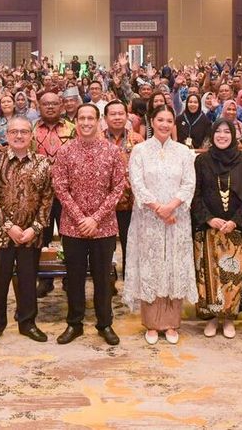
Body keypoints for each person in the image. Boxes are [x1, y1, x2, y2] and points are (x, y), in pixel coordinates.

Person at [51, 103, 127, 346]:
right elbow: (60, 187)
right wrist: (80, 217)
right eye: (81, 118)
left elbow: (118, 187)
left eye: (90, 118)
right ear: (76, 122)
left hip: (103, 226)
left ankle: (105, 323)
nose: (85, 122)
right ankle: (75, 323)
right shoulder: (65, 152)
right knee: (73, 278)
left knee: (103, 278)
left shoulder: (112, 152)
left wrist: (95, 218)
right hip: (73, 226)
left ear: (99, 121)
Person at [124, 106, 197, 345]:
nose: (164, 124)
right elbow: (137, 183)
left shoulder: (184, 152)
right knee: (152, 264)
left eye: (169, 120)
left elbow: (189, 184)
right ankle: (153, 324)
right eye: (160, 120)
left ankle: (172, 323)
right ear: (152, 122)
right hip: (148, 218)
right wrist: (158, 208)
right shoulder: (140, 151)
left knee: (173, 263)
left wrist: (171, 206)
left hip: (177, 219)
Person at [0, 115, 53, 345]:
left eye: (24, 131)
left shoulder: (42, 163)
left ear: (31, 135)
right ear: (7, 136)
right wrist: (9, 227)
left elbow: (47, 199)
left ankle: (27, 322)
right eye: (14, 132)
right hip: (1, 232)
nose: (19, 136)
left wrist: (35, 228)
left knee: (27, 279)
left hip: (31, 234)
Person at [191, 119, 242, 339]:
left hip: (235, 230)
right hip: (209, 230)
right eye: (217, 131)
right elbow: (195, 195)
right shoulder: (202, 161)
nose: (222, 135)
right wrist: (209, 219)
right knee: (209, 275)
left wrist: (236, 221)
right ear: (212, 134)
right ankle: (211, 318)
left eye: (226, 132)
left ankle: (228, 319)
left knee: (232, 276)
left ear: (233, 135)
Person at [31, 91, 75, 297]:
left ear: (62, 106)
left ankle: (70, 277)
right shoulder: (30, 130)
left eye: (54, 104)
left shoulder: (72, 129)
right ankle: (45, 279)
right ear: (39, 106)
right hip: (39, 193)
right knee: (42, 236)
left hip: (68, 193)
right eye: (45, 104)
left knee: (70, 235)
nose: (50, 107)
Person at [103, 101, 143, 279]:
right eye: (113, 114)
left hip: (131, 202)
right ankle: (107, 278)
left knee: (131, 241)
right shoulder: (98, 139)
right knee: (106, 244)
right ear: (105, 118)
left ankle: (130, 276)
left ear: (127, 117)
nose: (117, 117)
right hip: (105, 204)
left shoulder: (137, 140)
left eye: (121, 114)